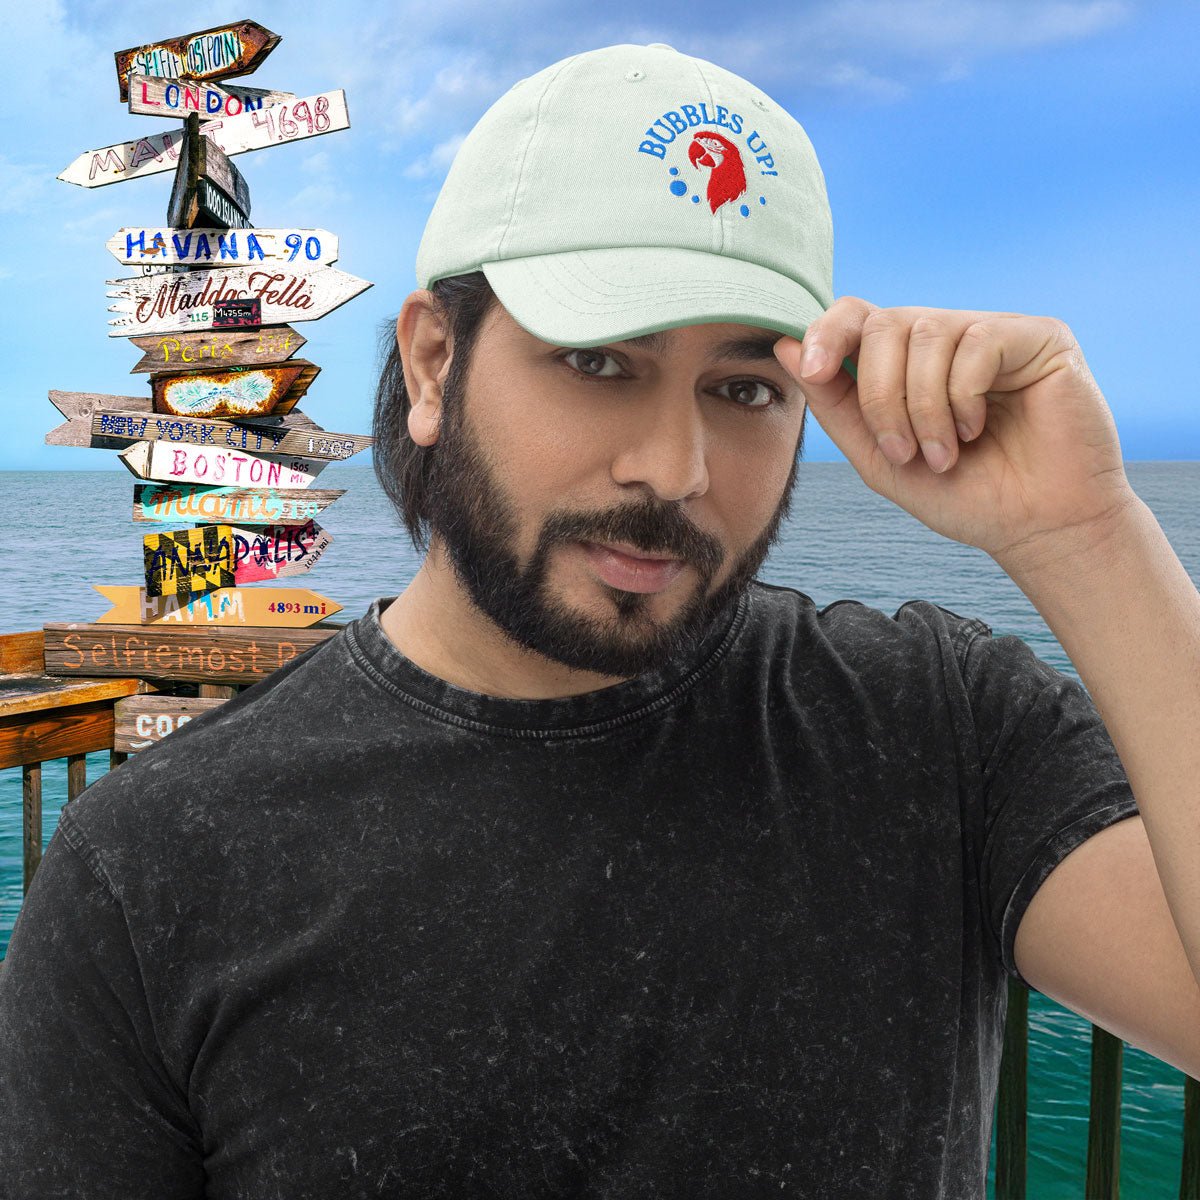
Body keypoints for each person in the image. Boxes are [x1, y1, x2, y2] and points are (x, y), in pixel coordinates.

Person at [1, 41, 1197, 1200]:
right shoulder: (154, 865)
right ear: (430, 364)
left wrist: (1087, 537)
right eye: (597, 361)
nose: (674, 469)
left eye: (744, 390)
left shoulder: (931, 729)